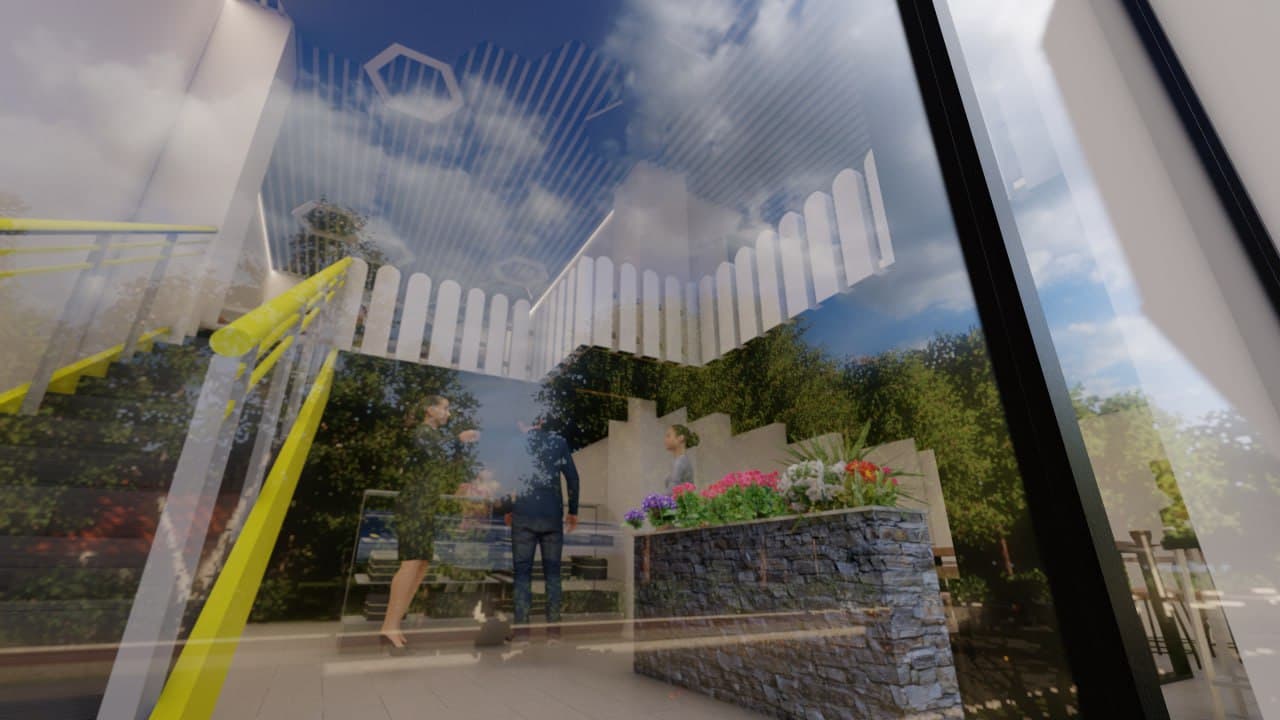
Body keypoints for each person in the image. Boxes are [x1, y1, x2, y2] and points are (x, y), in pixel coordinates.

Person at [380, 394, 478, 655]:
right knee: (411, 561)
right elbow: (436, 449)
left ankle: (394, 624)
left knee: (421, 563)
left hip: (425, 505)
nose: (448, 413)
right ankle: (389, 626)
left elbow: (443, 462)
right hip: (414, 504)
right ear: (429, 410)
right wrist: (459, 439)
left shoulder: (434, 437)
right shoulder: (422, 433)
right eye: (445, 408)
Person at [495, 419, 580, 644]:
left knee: (522, 574)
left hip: (524, 515)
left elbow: (507, 480)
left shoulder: (515, 444)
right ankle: (554, 633)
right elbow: (572, 477)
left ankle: (522, 633)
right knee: (553, 574)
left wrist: (508, 508)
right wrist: (573, 510)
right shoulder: (558, 442)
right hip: (551, 517)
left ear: (521, 422)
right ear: (542, 421)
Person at [663, 424, 699, 490]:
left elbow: (672, 491)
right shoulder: (681, 460)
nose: (665, 440)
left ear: (681, 438)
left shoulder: (680, 462)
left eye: (668, 436)